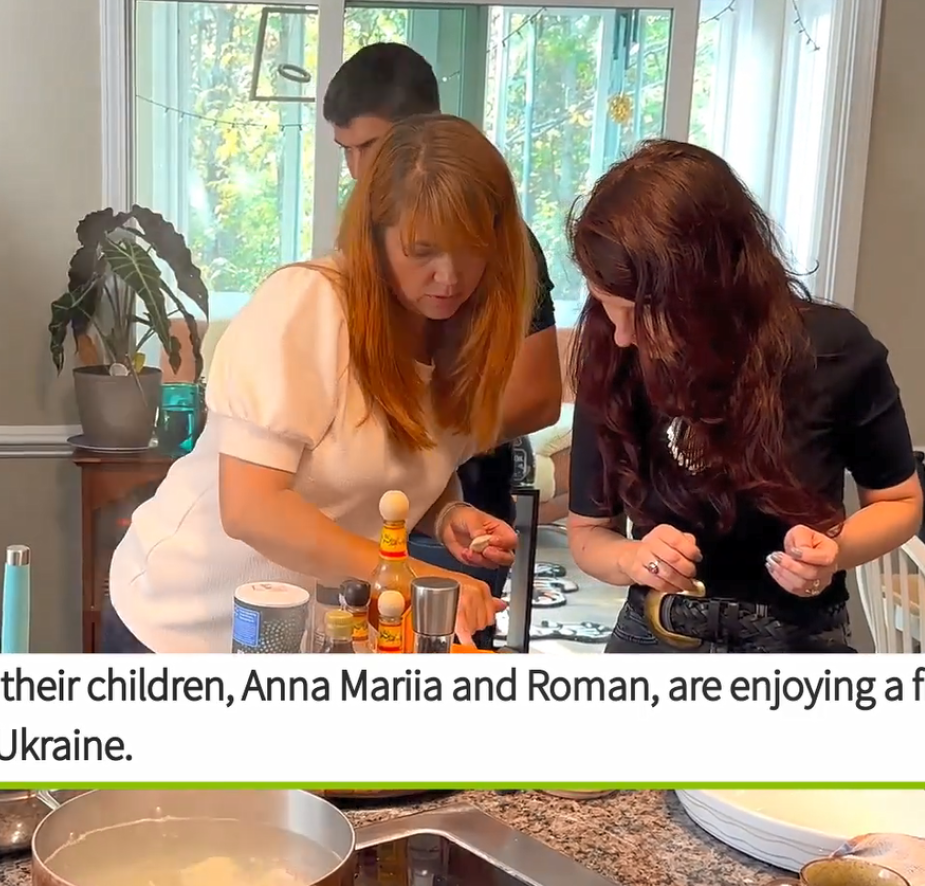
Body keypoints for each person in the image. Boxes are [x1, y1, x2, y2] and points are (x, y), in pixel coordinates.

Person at [107, 114, 538, 652]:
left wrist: (448, 513)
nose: (449, 277)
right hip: (181, 624)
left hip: (307, 631)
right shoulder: (308, 306)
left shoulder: (464, 333)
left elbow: (390, 467)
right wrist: (399, 576)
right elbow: (252, 508)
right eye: (422, 250)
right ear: (375, 236)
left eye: (469, 249)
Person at [565, 139, 922, 653]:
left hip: (797, 639)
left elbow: (899, 502)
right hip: (656, 632)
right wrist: (633, 558)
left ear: (704, 292)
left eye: (639, 312)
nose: (621, 335)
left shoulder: (836, 352)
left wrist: (833, 552)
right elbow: (587, 532)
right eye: (606, 306)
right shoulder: (613, 353)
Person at [323, 42, 562, 601]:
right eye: (346, 151)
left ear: (423, 140)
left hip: (461, 514)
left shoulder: (504, 248)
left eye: (372, 146)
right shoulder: (348, 255)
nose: (359, 170)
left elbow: (538, 397)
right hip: (373, 513)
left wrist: (414, 443)